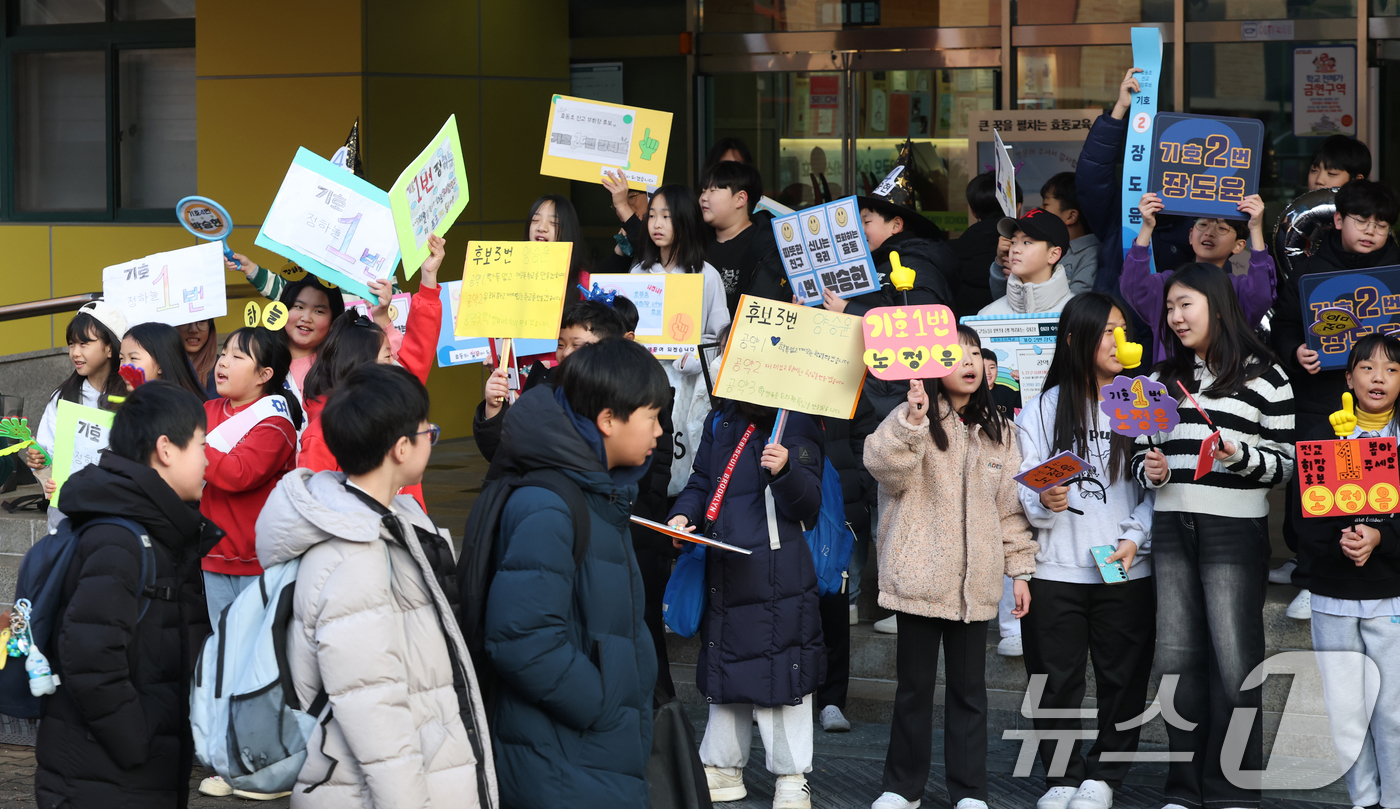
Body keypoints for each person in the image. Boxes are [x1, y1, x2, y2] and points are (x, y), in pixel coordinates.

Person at [254, 363, 496, 808]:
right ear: (402, 448)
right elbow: (373, 710)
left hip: (420, 766)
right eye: (429, 431)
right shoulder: (354, 556)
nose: (432, 439)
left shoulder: (392, 521)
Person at [1132, 263, 1294, 809]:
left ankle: (1233, 792)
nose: (1175, 317)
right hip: (1170, 525)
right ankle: (1183, 789)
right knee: (1176, 660)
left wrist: (1236, 454)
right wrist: (1148, 468)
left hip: (1234, 528)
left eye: (1186, 306)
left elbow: (1286, 468)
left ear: (1219, 308)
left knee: (1234, 661)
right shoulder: (1158, 378)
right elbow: (1139, 452)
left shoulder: (1268, 376)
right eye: (1171, 307)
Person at [482, 339, 664, 808]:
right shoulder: (551, 504)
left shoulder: (596, 493)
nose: (660, 431)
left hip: (590, 749)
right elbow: (521, 638)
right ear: (608, 420)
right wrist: (600, 701)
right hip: (564, 754)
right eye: (652, 416)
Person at [864, 324, 1036, 809]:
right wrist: (912, 422)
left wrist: (1020, 572)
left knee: (969, 694)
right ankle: (902, 789)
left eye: (975, 353)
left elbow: (1009, 510)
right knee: (914, 691)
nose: (968, 362)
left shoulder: (1000, 429)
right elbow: (882, 468)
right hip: (919, 578)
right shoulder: (910, 416)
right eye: (955, 353)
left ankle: (970, 792)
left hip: (974, 586)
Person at [33, 381, 218, 809]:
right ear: (166, 449)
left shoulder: (154, 529)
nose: (209, 460)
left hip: (126, 775)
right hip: (103, 777)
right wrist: (137, 742)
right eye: (202, 446)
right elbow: (89, 655)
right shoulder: (119, 538)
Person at [1015, 295, 1155, 809]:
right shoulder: (1045, 407)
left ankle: (1105, 776)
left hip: (1125, 568)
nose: (1120, 342)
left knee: (1123, 679)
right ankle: (1061, 776)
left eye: (1124, 331)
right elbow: (1022, 486)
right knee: (1054, 680)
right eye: (1107, 333)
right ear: (1075, 341)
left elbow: (1160, 489)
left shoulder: (1141, 404)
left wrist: (1134, 539)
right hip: (1055, 570)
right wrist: (1043, 500)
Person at [668, 400, 825, 809]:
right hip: (725, 563)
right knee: (726, 664)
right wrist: (684, 516)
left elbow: (808, 505)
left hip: (778, 568)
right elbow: (701, 480)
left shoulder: (796, 418)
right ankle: (722, 767)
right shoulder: (721, 418)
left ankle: (792, 777)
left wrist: (788, 469)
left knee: (782, 670)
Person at [1272, 179, 1400, 619]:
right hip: (1323, 397)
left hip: (1386, 400)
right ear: (1339, 220)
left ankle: (1386, 563)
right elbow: (1284, 325)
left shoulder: (1398, 272)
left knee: (1386, 481)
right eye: (1361, 220)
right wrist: (1296, 351)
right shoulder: (1310, 271)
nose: (1370, 231)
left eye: (1381, 225)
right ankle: (1312, 576)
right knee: (1320, 484)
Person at [1296, 333, 1400, 809]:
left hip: (1390, 592)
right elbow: (1305, 516)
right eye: (1368, 368)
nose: (1379, 377)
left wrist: (1380, 538)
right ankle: (1362, 799)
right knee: (1344, 708)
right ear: (1348, 376)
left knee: (1393, 711)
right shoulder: (1323, 435)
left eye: (1392, 369)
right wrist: (1343, 542)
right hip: (1333, 593)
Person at [299, 236, 445, 479]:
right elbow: (312, 504)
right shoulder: (323, 434)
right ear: (358, 365)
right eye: (388, 357)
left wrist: (428, 280)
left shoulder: (393, 402)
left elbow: (419, 348)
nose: (396, 367)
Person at [631, 184, 732, 495]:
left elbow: (722, 341)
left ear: (685, 221)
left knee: (685, 465)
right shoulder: (638, 274)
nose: (657, 224)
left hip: (689, 387)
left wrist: (698, 355)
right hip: (644, 384)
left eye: (666, 216)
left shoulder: (707, 275)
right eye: (652, 216)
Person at [200, 326, 303, 625]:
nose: (223, 362)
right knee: (224, 648)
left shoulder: (276, 425)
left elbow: (239, 474)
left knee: (256, 650)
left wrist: (191, 446)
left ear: (264, 375)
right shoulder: (207, 410)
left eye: (237, 357)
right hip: (214, 554)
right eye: (223, 354)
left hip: (261, 560)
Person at [1077, 68, 1192, 305]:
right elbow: (1092, 176)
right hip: (1117, 328)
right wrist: (1119, 110)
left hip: (1173, 333)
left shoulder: (1199, 223)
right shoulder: (1120, 215)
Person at [1123, 191, 1275, 365]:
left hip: (1225, 387)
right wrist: (1147, 226)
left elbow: (1262, 295)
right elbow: (1132, 287)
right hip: (1172, 387)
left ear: (1239, 245)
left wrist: (1256, 229)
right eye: (1203, 224)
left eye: (1222, 228)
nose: (1209, 232)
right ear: (1190, 235)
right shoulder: (1167, 286)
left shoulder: (1238, 290)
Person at [473, 299, 627, 463]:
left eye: (577, 345)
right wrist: (494, 408)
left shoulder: (624, 396)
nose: (566, 352)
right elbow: (499, 454)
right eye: (560, 345)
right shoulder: (540, 386)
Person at [25, 301, 129, 528]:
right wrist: (40, 463)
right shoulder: (62, 397)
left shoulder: (131, 398)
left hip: (115, 514)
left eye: (85, 343)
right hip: (66, 512)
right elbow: (47, 453)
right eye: (72, 344)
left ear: (110, 347)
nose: (76, 353)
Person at [698, 159, 787, 313]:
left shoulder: (769, 246)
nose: (703, 197)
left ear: (740, 199)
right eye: (703, 190)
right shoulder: (696, 241)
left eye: (713, 190)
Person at [993, 172, 1098, 299]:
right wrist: (1001, 262)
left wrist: (1028, 280)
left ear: (1071, 216)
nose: (1039, 210)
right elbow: (1000, 299)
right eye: (1014, 242)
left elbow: (1074, 307)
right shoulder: (1026, 251)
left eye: (1045, 205)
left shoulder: (1092, 254)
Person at [979, 209, 1074, 317]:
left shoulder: (1077, 315)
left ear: (1053, 254)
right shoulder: (988, 315)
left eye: (1027, 242)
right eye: (1013, 242)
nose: (1015, 249)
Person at [953, 173, 1016, 317]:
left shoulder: (949, 252)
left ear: (973, 212)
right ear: (1017, 207)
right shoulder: (1026, 253)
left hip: (962, 334)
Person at [120, 322, 210, 400]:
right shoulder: (119, 403)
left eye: (133, 358)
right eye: (121, 358)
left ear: (161, 364)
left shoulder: (180, 407)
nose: (124, 366)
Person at [527, 194, 592, 294]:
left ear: (567, 231)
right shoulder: (512, 273)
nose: (541, 228)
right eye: (535, 220)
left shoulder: (583, 282)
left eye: (553, 222)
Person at [176, 319, 219, 397]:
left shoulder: (220, 368)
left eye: (202, 321)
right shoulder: (160, 367)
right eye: (186, 321)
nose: (193, 330)